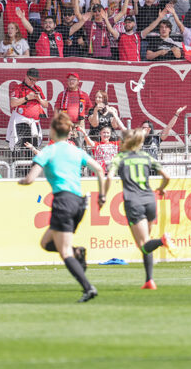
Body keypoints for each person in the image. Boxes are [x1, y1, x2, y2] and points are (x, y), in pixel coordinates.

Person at [19, 110, 106, 302]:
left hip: (63, 202)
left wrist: (23, 181)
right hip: (79, 202)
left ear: (52, 131)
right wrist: (102, 196)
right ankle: (77, 252)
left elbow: (31, 178)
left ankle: (88, 288)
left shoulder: (49, 151)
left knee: (63, 251)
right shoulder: (76, 150)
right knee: (46, 243)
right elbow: (100, 169)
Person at [107, 128, 176, 289]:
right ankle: (149, 280)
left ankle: (162, 240)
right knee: (146, 242)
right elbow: (167, 176)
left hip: (133, 202)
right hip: (150, 200)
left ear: (127, 143)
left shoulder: (121, 157)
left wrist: (103, 195)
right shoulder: (146, 156)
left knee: (143, 244)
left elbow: (109, 176)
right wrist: (161, 189)